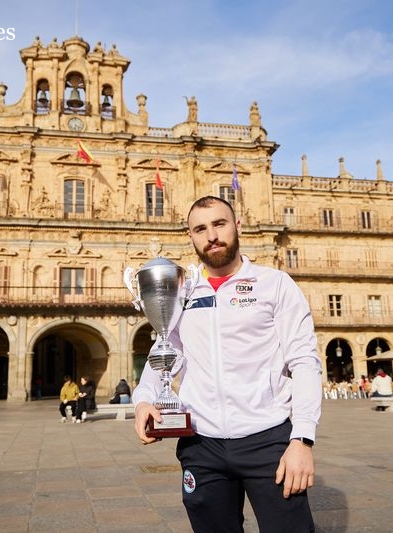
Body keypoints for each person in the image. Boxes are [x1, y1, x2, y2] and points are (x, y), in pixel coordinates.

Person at [133, 195, 321, 532]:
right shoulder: (183, 291)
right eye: (200, 228)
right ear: (190, 236)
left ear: (238, 226)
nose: (211, 235)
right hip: (201, 444)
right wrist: (144, 397)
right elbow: (167, 350)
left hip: (268, 440)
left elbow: (304, 361)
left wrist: (302, 439)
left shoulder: (274, 284)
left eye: (219, 224)